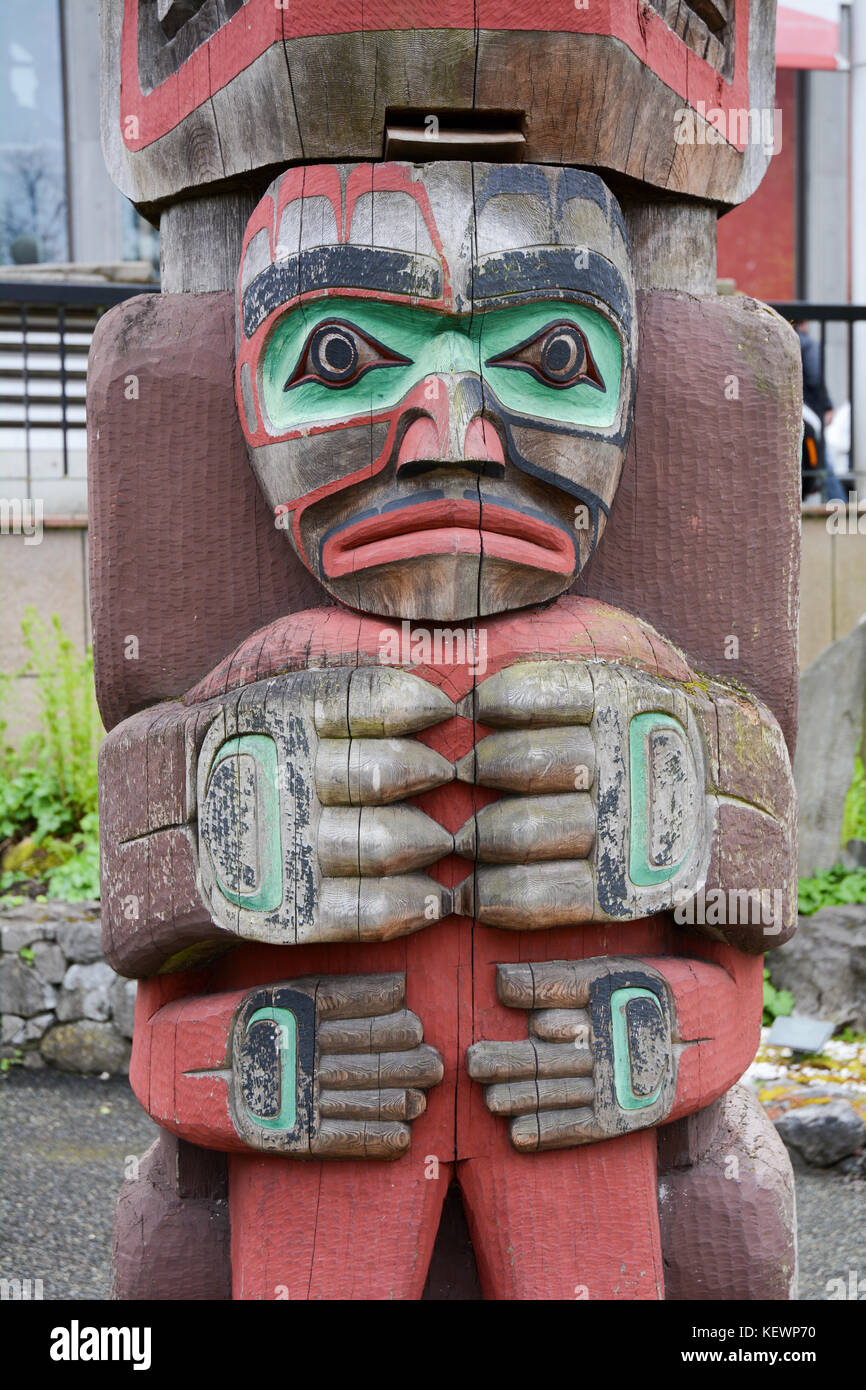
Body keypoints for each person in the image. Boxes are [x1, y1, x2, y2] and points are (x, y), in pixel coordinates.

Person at [797, 321, 846, 501]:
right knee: (822, 464)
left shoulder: (787, 342)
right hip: (809, 412)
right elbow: (816, 378)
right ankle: (841, 505)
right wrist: (827, 405)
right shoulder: (807, 344)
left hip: (797, 411)